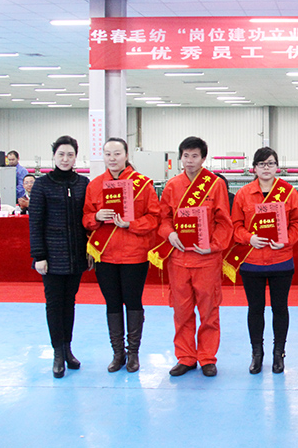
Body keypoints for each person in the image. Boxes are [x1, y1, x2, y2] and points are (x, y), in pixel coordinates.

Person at [149, 136, 233, 377]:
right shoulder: (172, 185)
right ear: (180, 158)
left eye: (195, 156)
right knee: (182, 310)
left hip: (206, 259)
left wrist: (213, 246)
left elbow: (224, 222)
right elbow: (163, 218)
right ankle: (185, 357)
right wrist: (169, 233)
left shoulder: (215, 185)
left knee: (209, 311)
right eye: (185, 156)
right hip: (179, 259)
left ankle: (207, 357)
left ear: (203, 158)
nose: (189, 160)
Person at [83, 138, 161, 373]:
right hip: (105, 255)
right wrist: (96, 217)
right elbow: (85, 218)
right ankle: (118, 353)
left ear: (126, 155)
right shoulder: (95, 185)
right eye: (108, 154)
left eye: (117, 153)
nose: (112, 158)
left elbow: (154, 218)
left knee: (134, 302)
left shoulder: (143, 184)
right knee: (112, 303)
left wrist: (131, 223)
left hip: (134, 255)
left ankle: (133, 353)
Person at [229, 147, 298, 374]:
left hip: (281, 260)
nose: (266, 168)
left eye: (270, 163)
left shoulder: (288, 192)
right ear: (254, 168)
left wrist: (286, 240)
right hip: (252, 262)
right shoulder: (243, 194)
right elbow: (235, 226)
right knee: (255, 309)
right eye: (261, 164)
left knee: (280, 308)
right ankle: (257, 354)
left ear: (277, 167)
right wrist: (249, 238)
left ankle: (278, 354)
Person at [28, 136, 90, 378]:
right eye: (61, 154)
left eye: (70, 155)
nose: (65, 159)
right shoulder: (42, 184)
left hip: (76, 255)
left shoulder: (83, 183)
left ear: (76, 158)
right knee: (54, 304)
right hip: (51, 256)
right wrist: (39, 255)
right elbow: (35, 223)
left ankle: (68, 349)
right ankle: (57, 353)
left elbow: (87, 219)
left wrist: (89, 251)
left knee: (70, 303)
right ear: (54, 156)